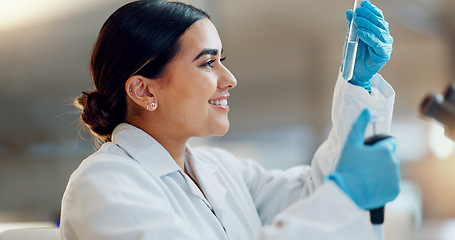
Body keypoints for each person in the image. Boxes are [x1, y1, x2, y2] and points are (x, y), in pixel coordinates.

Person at [60, 0, 399, 239]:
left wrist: (357, 86)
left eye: (222, 59)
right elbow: (331, 202)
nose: (230, 78)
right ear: (144, 91)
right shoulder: (105, 184)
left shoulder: (221, 169)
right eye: (207, 63)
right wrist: (344, 195)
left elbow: (315, 195)